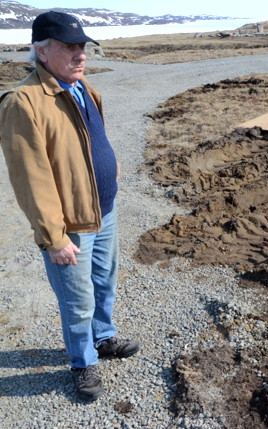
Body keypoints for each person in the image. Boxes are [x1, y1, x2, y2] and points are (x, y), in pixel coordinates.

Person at [0, 11, 140, 402]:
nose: (81, 55)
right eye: (70, 48)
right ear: (42, 52)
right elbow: (31, 180)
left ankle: (104, 338)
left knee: (103, 283)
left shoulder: (81, 86)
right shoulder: (23, 102)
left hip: (102, 211)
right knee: (77, 301)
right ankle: (82, 363)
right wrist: (53, 237)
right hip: (70, 225)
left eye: (83, 47)